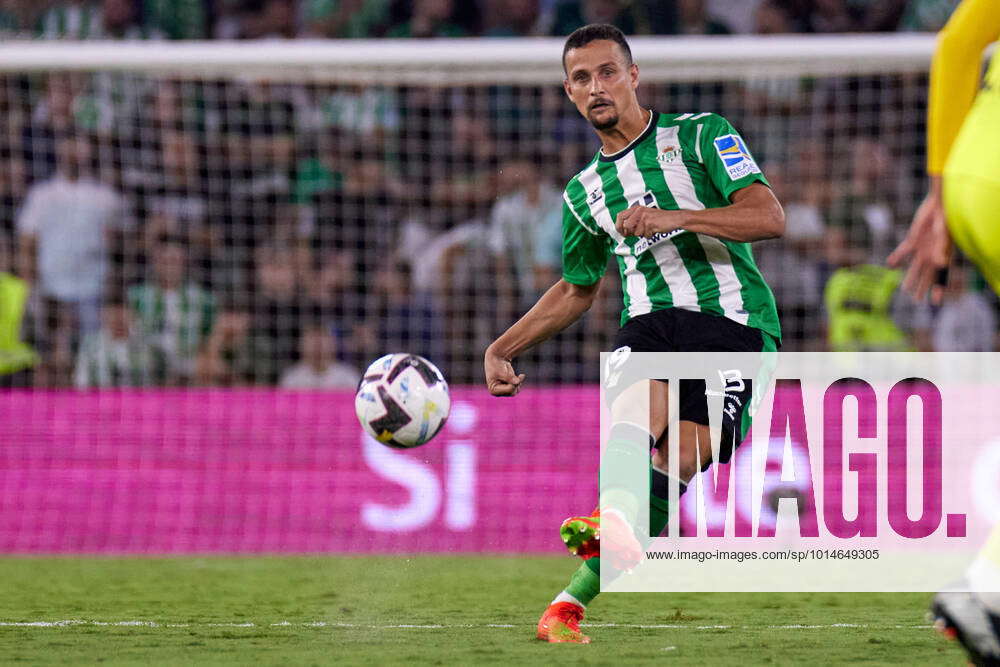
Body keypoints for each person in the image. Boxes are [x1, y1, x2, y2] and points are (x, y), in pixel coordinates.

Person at [484, 24, 783, 643]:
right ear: (568, 92)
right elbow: (576, 288)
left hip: (734, 324)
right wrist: (502, 346)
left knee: (680, 462)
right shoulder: (582, 194)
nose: (597, 87)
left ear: (634, 75)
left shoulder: (702, 135)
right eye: (581, 78)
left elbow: (767, 216)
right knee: (634, 417)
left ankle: (567, 603)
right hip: (648, 324)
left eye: (607, 72)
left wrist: (676, 217)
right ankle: (609, 516)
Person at [887, 0, 1000, 663]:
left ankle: (987, 585)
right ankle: (984, 589)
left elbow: (959, 42)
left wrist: (938, 193)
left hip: (973, 174)